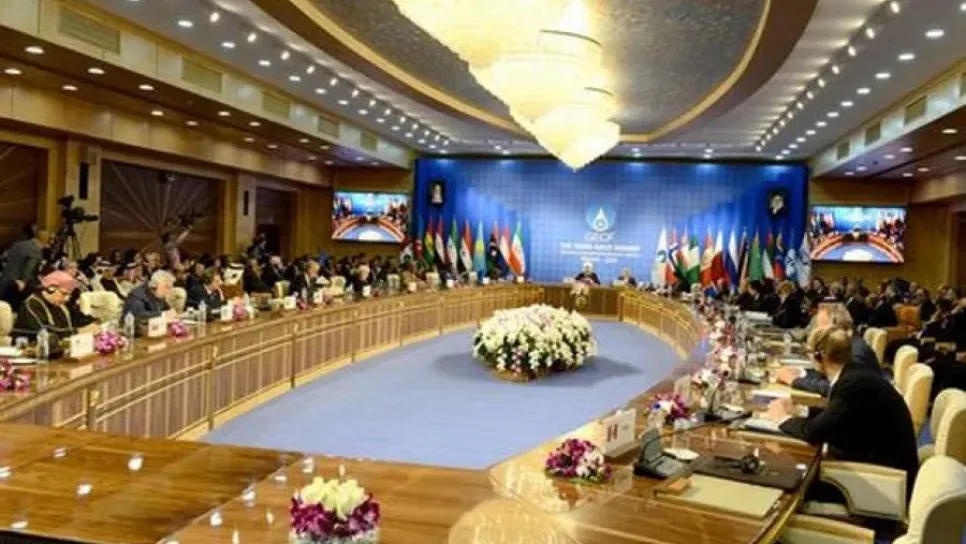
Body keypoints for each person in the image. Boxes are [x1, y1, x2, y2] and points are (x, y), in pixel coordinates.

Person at [764, 325, 919, 498]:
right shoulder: (854, 374)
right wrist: (801, 410)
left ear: (820, 356)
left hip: (881, 485)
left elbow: (814, 433)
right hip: (879, 469)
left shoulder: (852, 385)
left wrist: (782, 418)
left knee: (783, 477)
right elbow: (839, 415)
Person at [775, 304, 881, 396]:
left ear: (836, 326)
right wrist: (802, 373)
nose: (816, 332)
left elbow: (837, 388)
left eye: (821, 328)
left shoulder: (856, 352)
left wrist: (794, 380)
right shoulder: (848, 344)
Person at [12, 271, 99, 348]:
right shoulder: (32, 304)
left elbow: (80, 319)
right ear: (51, 289)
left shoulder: (63, 304)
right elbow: (44, 331)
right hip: (35, 351)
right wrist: (78, 331)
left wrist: (95, 323)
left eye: (69, 295)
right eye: (64, 294)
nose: (67, 299)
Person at [0, 228, 49, 310]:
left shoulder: (17, 244)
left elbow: (4, 257)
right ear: (45, 242)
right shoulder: (36, 251)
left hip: (5, 278)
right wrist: (24, 281)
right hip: (17, 284)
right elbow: (29, 268)